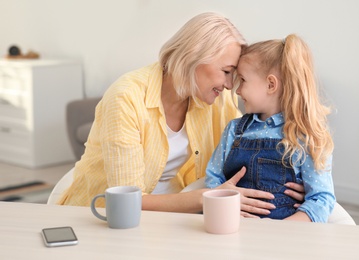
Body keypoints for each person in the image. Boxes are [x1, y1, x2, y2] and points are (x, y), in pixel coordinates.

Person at [58, 13, 305, 215]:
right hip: (103, 218)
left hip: (180, 214)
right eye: (227, 71)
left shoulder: (217, 99)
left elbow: (239, 158)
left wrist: (288, 185)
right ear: (194, 58)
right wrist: (208, 198)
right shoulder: (126, 98)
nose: (231, 85)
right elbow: (125, 202)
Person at [205, 34, 336, 222]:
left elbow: (321, 199)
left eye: (242, 80)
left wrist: (281, 232)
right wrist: (226, 204)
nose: (237, 90)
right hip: (234, 228)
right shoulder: (234, 130)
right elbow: (213, 178)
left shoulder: (306, 136)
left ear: (271, 84)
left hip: (284, 239)